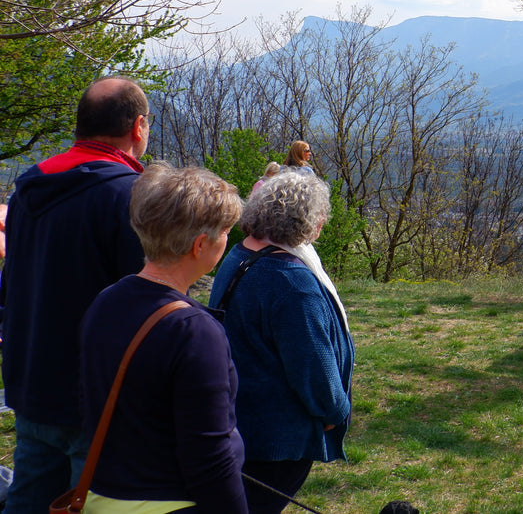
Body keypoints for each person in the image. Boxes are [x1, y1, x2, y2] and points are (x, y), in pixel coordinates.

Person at [0, 77, 149, 514]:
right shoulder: (127, 196)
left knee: (28, 502)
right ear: (138, 127)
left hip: (31, 381)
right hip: (96, 396)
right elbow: (143, 296)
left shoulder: (28, 187)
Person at [79, 162, 246, 514]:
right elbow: (210, 459)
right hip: (169, 503)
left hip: (102, 496)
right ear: (201, 245)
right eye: (227, 230)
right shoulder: (194, 331)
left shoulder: (105, 300)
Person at [210, 169, 354, 514]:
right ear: (309, 224)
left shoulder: (238, 256)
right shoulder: (292, 282)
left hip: (239, 419)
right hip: (275, 438)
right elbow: (312, 365)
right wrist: (335, 409)